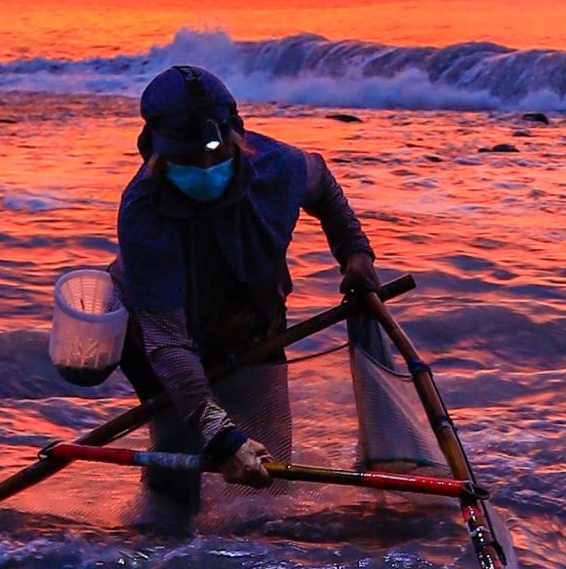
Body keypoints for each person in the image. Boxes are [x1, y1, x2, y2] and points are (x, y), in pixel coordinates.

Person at [113, 63, 378, 510]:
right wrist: (218, 433)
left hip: (250, 324)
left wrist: (355, 254)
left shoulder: (280, 165)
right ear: (154, 151)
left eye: (214, 154)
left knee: (268, 485)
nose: (202, 167)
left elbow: (324, 188)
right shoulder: (143, 208)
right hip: (161, 339)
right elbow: (167, 341)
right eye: (184, 158)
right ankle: (162, 552)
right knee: (179, 461)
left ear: (238, 136)